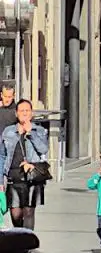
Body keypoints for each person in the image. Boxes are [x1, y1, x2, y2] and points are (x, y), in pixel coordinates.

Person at [0, 99, 49, 231]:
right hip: (13, 177)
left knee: (28, 212)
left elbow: (43, 149)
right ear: (16, 113)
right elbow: (2, 155)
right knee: (15, 214)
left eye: (27, 110)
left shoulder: (39, 130)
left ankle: (27, 245)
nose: (25, 113)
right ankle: (21, 235)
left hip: (32, 177)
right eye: (21, 110)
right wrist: (0, 181)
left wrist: (31, 133)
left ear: (31, 113)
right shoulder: (8, 131)